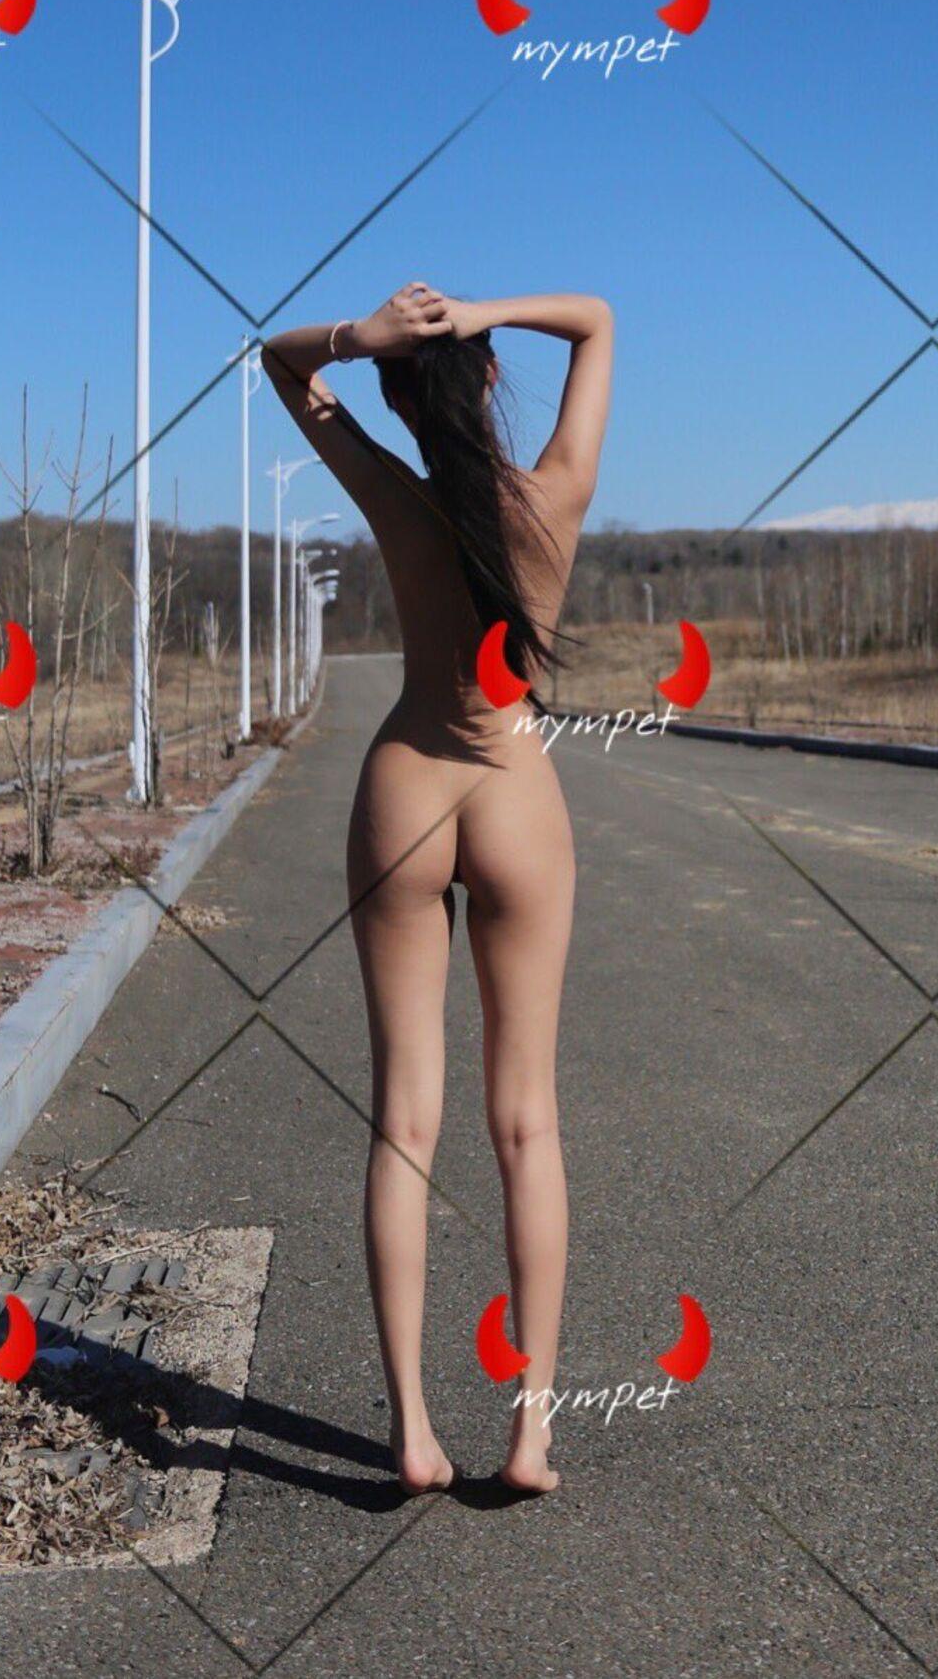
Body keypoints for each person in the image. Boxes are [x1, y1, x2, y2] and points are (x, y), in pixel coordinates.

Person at [260, 285, 613, 1495]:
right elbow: (598, 319)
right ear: (489, 380)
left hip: (405, 791)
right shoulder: (555, 498)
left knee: (403, 1125)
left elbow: (279, 363)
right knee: (527, 1125)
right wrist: (479, 313)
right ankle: (529, 1436)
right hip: (515, 791)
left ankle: (411, 1433)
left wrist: (364, 339)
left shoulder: (392, 497)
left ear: (401, 399)